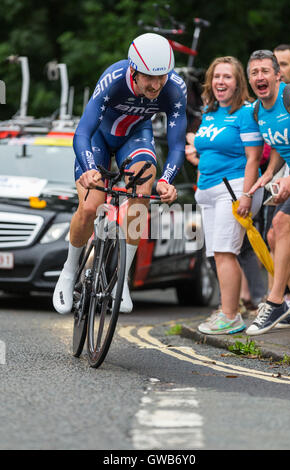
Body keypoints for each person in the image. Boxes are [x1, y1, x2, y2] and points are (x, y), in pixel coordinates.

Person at [53, 33, 187, 315]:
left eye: (161, 77)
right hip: (98, 138)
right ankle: (68, 270)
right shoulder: (114, 79)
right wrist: (90, 169)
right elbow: (82, 132)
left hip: (136, 136)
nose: (156, 85)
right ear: (133, 70)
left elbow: (176, 145)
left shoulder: (174, 88)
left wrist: (166, 181)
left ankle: (121, 279)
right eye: (149, 77)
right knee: (90, 206)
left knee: (143, 191)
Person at [188, 56, 264, 335]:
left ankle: (231, 317)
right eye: (217, 76)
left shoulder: (245, 113)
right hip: (208, 192)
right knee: (216, 254)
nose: (221, 82)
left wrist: (246, 195)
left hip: (233, 190)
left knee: (225, 252)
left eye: (228, 77)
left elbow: (253, 158)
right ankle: (225, 310)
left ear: (237, 83)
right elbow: (206, 153)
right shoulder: (209, 113)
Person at [246, 49, 290, 335]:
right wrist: (267, 174)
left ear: (278, 74)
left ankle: (276, 301)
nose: (259, 77)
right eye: (254, 73)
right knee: (272, 235)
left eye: (265, 71)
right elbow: (281, 143)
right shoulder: (258, 110)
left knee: (281, 224)